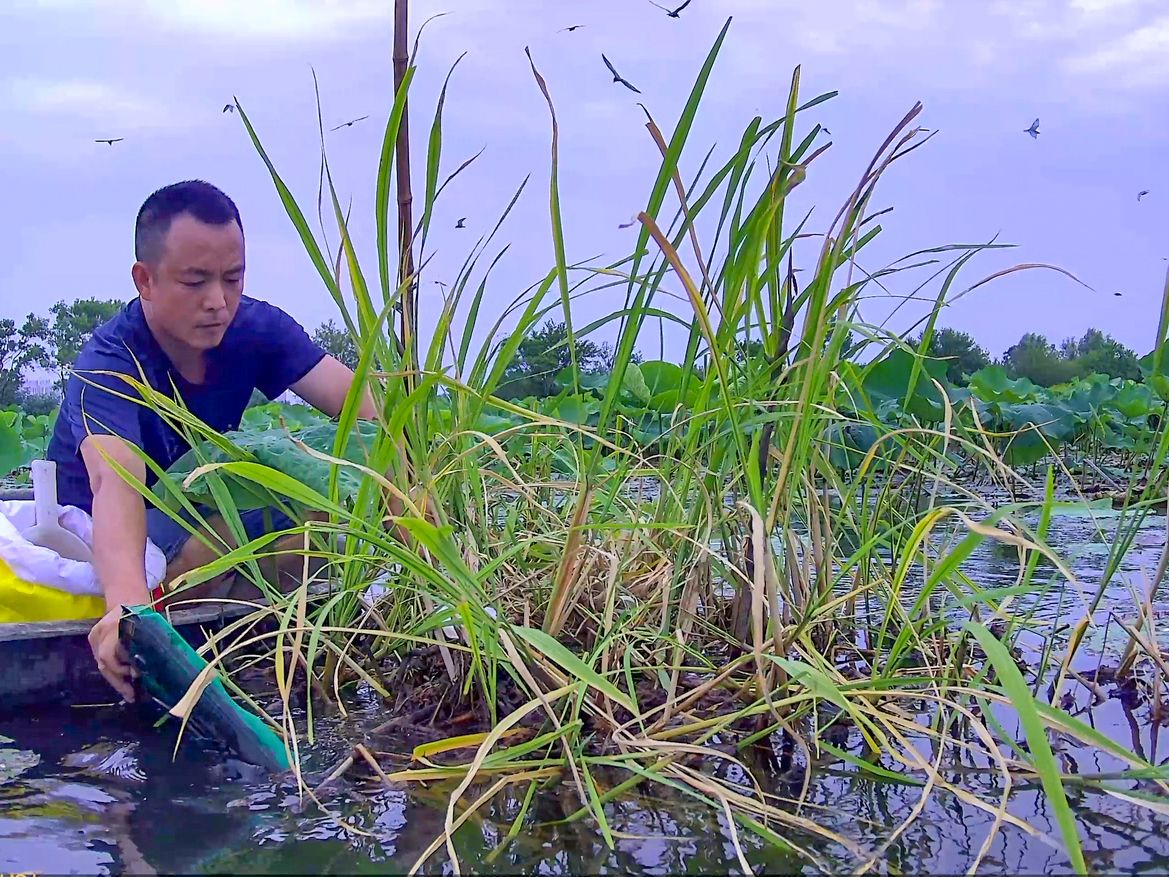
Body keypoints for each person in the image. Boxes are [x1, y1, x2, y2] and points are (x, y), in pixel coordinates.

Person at [46, 180, 375, 704]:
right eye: (195, 281)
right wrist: (129, 610)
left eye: (232, 279)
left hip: (197, 508)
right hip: (105, 537)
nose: (218, 302)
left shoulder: (255, 328)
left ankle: (264, 650)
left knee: (328, 515)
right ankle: (179, 637)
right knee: (230, 538)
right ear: (145, 280)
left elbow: (365, 408)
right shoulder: (108, 363)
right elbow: (116, 482)